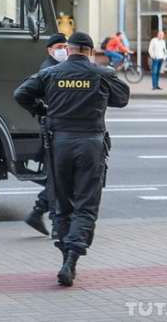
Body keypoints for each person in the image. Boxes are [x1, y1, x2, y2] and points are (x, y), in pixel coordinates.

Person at [13, 32, 129, 287]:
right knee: (86, 204)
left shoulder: (51, 73)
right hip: (91, 145)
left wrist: (42, 110)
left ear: (69, 49)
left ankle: (66, 255)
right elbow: (122, 98)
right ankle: (72, 259)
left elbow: (20, 94)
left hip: (59, 145)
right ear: (90, 52)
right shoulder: (101, 74)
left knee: (61, 202)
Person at [24, 33, 67, 237]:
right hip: (53, 129)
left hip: (54, 128)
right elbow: (24, 94)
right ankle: (51, 220)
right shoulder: (49, 69)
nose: (63, 50)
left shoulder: (56, 66)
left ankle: (40, 213)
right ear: (50, 50)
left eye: (65, 47)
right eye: (59, 47)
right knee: (57, 178)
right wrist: (41, 110)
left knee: (57, 177)